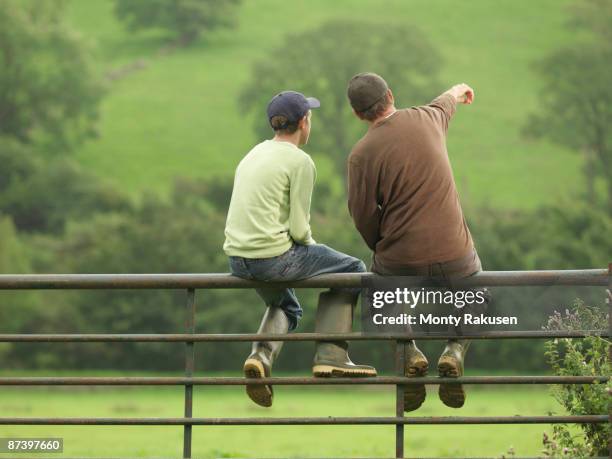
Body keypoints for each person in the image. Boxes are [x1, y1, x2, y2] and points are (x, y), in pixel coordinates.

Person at [346, 73, 491, 411]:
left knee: (381, 295)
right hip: (455, 252)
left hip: (399, 257)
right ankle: (455, 349)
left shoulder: (360, 155)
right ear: (391, 95)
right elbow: (446, 100)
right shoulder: (429, 117)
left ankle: (408, 352)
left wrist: (381, 244)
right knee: (479, 291)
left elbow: (362, 214)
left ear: (357, 114)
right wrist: (460, 90)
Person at [224, 90, 376, 408]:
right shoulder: (300, 161)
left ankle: (260, 359)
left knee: (289, 308)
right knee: (353, 270)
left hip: (237, 258)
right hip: (272, 258)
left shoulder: (254, 153)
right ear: (304, 122)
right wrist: (315, 254)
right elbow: (299, 229)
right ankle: (331, 355)